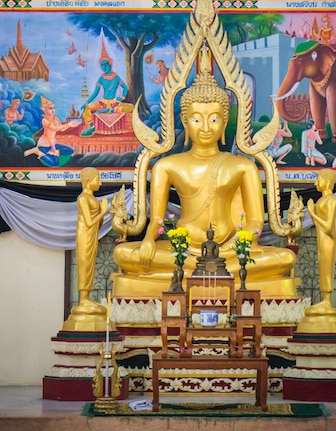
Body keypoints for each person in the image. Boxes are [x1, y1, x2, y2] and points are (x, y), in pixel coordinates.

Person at [112, 69, 297, 292]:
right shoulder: (167, 166)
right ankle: (201, 274)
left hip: (229, 252)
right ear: (185, 121)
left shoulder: (243, 166)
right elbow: (157, 220)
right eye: (197, 119)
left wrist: (239, 244)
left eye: (214, 119)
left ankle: (187, 277)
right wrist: (149, 240)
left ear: (225, 121)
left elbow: (256, 221)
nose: (206, 128)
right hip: (182, 251)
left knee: (284, 258)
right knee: (123, 255)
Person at [62, 167, 109, 331]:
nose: (100, 183)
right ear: (89, 180)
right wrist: (103, 211)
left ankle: (86, 298)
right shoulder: (82, 198)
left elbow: (97, 224)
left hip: (91, 235)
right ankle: (83, 299)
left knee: (90, 265)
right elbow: (89, 222)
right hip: (84, 235)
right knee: (84, 265)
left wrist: (102, 215)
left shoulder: (92, 198)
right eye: (98, 179)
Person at [80, 41, 131, 136]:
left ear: (110, 64)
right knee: (86, 109)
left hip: (114, 103)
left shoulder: (116, 77)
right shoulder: (101, 78)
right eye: (102, 65)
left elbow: (126, 88)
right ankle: (91, 127)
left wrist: (122, 97)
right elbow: (95, 93)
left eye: (106, 64)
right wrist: (86, 103)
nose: (104, 67)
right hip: (102, 103)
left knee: (131, 107)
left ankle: (110, 110)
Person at [306, 169, 336, 312]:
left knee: (326, 268)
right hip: (322, 238)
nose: (315, 183)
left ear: (326, 181)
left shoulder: (332, 200)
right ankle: (324, 299)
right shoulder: (322, 200)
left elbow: (327, 226)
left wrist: (312, 214)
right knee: (321, 267)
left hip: (328, 239)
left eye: (318, 179)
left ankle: (327, 300)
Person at [24, 96, 78, 166]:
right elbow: (55, 128)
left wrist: (72, 126)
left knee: (70, 150)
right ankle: (37, 151)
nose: (53, 110)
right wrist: (68, 125)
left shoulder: (55, 118)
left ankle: (54, 152)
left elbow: (61, 129)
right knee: (54, 163)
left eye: (53, 108)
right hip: (44, 145)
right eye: (50, 108)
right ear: (44, 109)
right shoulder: (44, 120)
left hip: (53, 143)